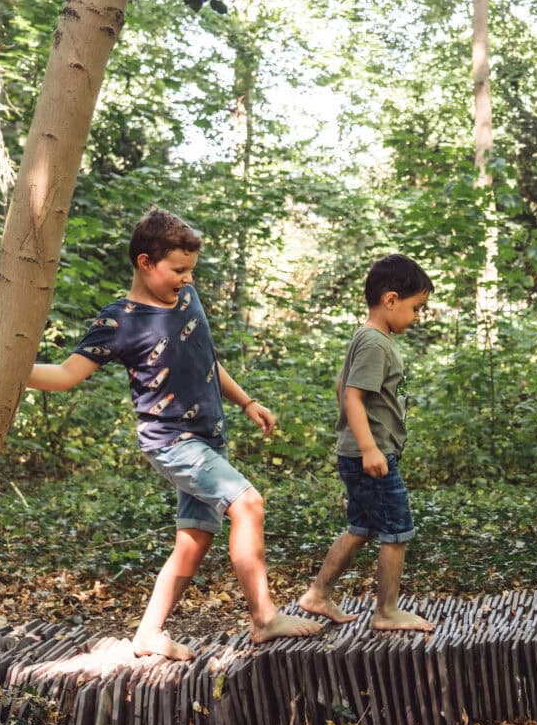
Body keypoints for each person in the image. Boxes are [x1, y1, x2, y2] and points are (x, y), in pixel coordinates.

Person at [18, 208, 322, 660]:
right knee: (248, 503)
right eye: (178, 270)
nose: (187, 279)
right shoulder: (120, 320)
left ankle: (148, 634)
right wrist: (8, 369)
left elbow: (205, 359)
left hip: (208, 437)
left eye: (190, 270)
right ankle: (264, 618)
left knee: (194, 540)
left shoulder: (186, 299)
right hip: (171, 441)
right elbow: (66, 374)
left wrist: (247, 402)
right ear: (145, 262)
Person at [298, 254, 435, 632]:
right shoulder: (375, 343)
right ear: (391, 300)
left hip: (360, 452)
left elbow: (343, 387)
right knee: (397, 530)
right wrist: (371, 447)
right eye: (416, 308)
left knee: (360, 527)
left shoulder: (368, 337)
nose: (417, 316)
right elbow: (352, 396)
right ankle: (386, 611)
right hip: (370, 455)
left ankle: (318, 594)